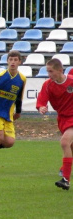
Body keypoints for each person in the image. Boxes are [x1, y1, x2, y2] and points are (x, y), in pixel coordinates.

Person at [36, 58, 72, 190]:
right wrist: (41, 107)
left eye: (51, 71)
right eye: (47, 71)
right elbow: (42, 100)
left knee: (64, 142)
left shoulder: (71, 81)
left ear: (60, 70)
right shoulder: (48, 85)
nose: (49, 74)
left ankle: (65, 180)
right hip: (62, 119)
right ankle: (65, 168)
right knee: (70, 146)